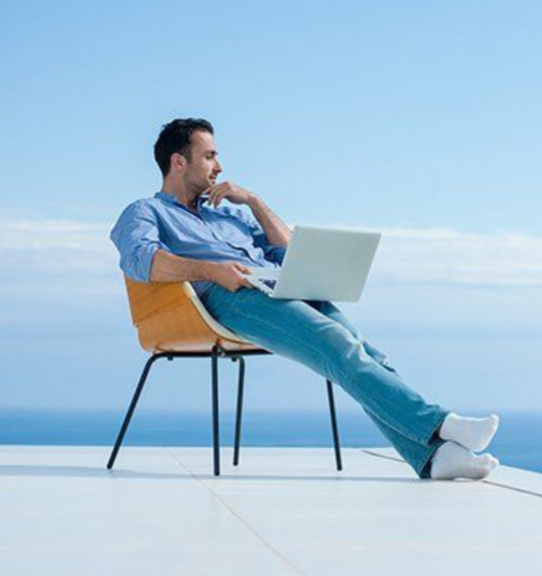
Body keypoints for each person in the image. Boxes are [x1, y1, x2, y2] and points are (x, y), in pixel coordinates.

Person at [110, 118, 500, 481]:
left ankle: (432, 459)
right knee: (337, 345)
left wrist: (255, 203)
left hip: (277, 287)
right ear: (178, 162)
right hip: (227, 298)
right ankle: (439, 424)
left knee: (363, 351)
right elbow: (142, 261)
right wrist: (212, 270)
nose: (220, 166)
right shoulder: (146, 212)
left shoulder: (227, 215)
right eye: (209, 156)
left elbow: (292, 252)